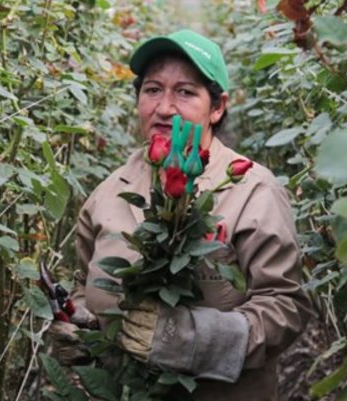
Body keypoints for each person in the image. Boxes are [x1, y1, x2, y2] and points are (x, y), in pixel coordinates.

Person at [51, 29, 311, 401]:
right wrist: (84, 329)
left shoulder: (253, 191)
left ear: (217, 107)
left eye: (185, 92)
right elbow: (83, 283)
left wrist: (188, 339)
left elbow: (285, 307)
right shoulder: (108, 193)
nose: (165, 108)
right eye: (152, 89)